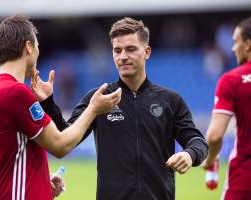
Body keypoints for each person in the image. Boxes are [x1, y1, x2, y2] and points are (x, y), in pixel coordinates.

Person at [33, 17, 208, 200]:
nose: (123, 56)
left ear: (147, 52)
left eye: (131, 49)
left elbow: (198, 141)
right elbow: (64, 135)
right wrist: (48, 103)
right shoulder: (98, 98)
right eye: (117, 50)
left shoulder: (170, 101)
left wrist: (190, 154)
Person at [0, 15, 121, 200]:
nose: (38, 51)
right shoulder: (16, 93)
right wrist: (93, 109)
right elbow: (60, 146)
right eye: (37, 45)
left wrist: (38, 179)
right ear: (28, 47)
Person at [202, 17, 251, 200]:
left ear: (247, 44)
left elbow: (215, 136)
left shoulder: (232, 80)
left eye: (235, 42)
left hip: (245, 178)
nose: (232, 48)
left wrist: (211, 158)